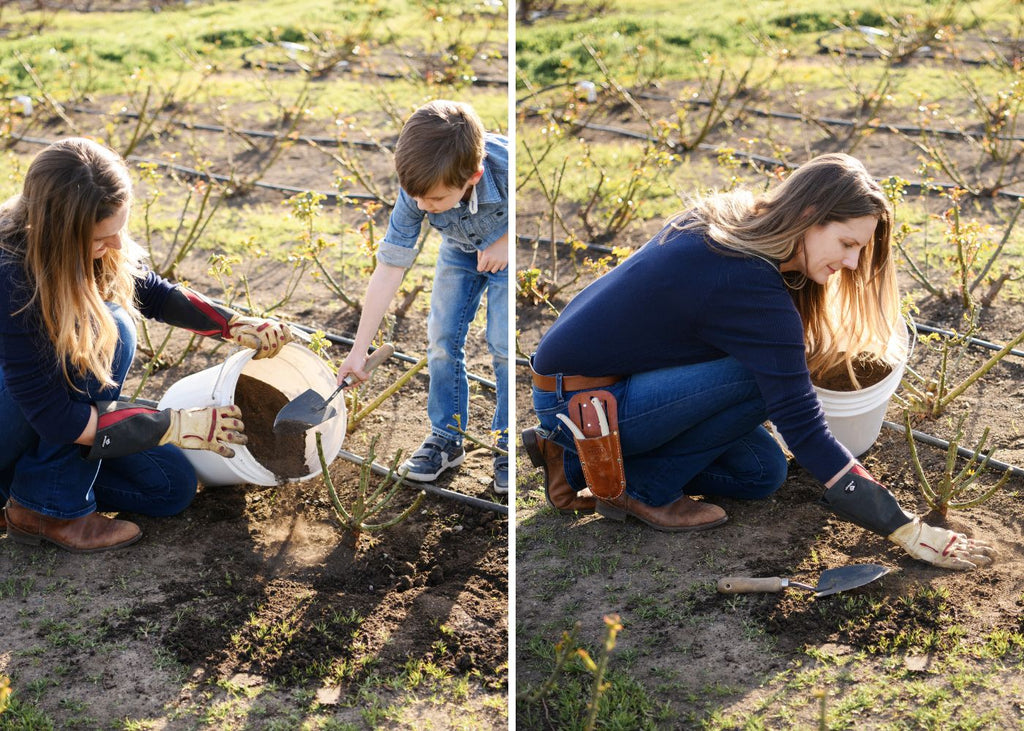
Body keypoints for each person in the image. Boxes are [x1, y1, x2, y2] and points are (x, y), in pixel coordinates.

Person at [522, 153, 994, 570]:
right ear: (809, 216)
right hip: (584, 403)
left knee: (761, 472)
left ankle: (582, 465)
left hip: (613, 390)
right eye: (847, 244)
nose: (852, 263)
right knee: (763, 376)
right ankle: (638, 486)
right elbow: (802, 424)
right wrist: (904, 526)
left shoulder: (743, 224)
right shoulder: (745, 278)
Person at [0, 137, 296, 553]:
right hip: (21, 415)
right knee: (108, 330)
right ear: (60, 233)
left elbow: (150, 290)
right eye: (103, 236)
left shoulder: (76, 246)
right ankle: (49, 509)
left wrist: (233, 324)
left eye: (119, 228)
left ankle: (18, 491)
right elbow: (56, 420)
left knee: (169, 486)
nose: (117, 244)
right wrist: (173, 424)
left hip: (39, 418)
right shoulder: (10, 276)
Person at [337, 100, 509, 494]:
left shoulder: (505, 168)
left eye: (433, 201)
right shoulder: (418, 188)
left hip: (503, 248)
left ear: (473, 176)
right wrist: (359, 350)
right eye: (416, 197)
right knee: (442, 340)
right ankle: (447, 438)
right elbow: (391, 265)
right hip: (459, 248)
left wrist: (504, 241)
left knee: (501, 344)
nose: (421, 206)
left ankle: (503, 446)